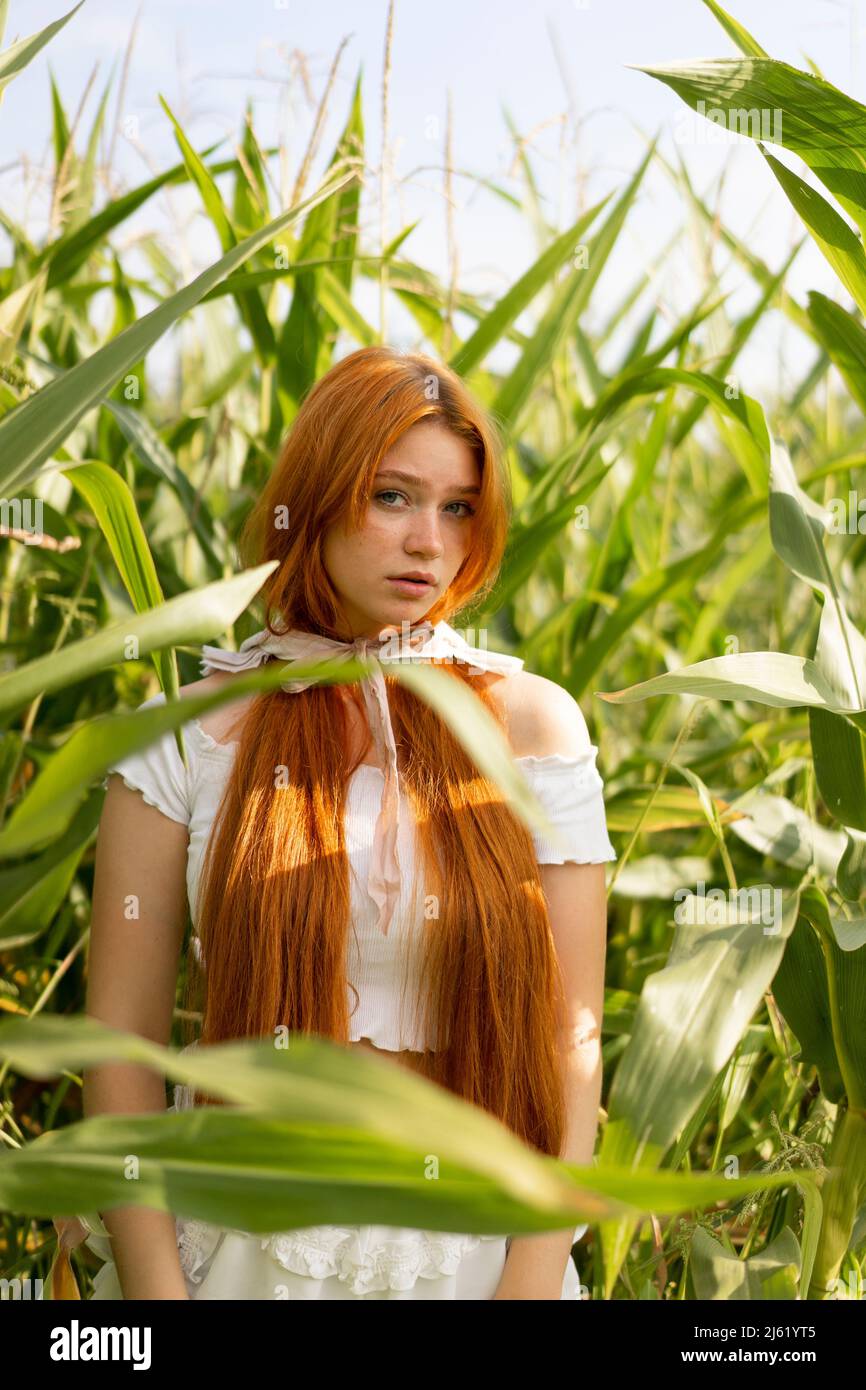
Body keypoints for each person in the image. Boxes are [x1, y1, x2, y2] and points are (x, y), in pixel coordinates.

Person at [78, 345, 616, 1300]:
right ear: (316, 499)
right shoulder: (183, 736)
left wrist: (530, 1286)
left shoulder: (533, 727)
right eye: (392, 496)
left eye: (458, 508)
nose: (429, 543)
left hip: (479, 1252)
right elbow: (119, 1050)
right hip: (243, 1248)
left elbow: (572, 1044)